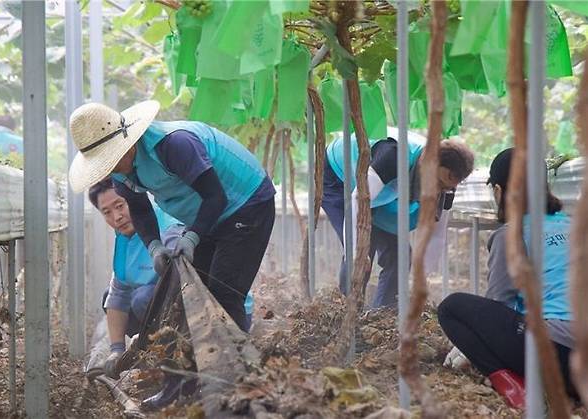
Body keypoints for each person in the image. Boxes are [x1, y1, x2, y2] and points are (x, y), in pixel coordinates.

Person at [68, 101, 274, 335]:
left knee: (223, 293)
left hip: (246, 202)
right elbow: (140, 209)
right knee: (195, 291)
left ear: (127, 143)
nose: (110, 168)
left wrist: (192, 237)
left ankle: (231, 365)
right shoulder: (120, 174)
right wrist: (155, 247)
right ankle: (197, 361)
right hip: (208, 213)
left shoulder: (174, 145)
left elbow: (216, 197)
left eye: (111, 160)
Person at [437, 148, 577, 409]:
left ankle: (514, 387)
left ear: (499, 192)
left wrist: (470, 347)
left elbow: (500, 305)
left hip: (557, 358)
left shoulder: (510, 235)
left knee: (451, 308)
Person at [88, 179, 255, 380]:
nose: (117, 216)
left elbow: (189, 281)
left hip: (222, 314)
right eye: (107, 212)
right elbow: (118, 294)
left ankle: (175, 363)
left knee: (142, 298)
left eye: (120, 205)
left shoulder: (168, 227)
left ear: (134, 199)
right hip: (169, 311)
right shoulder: (123, 239)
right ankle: (154, 354)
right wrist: (116, 350)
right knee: (111, 295)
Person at [321, 127, 474, 306]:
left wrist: (422, 277)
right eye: (437, 182)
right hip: (338, 179)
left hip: (377, 193)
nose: (437, 191)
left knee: (400, 255)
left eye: (445, 188)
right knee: (363, 248)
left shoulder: (446, 189)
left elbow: (437, 235)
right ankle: (347, 313)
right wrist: (355, 252)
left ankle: (381, 316)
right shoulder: (393, 157)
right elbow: (357, 201)